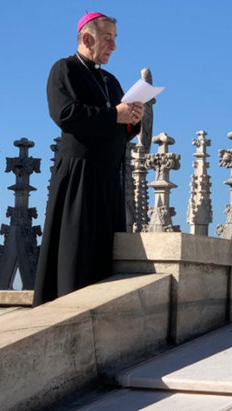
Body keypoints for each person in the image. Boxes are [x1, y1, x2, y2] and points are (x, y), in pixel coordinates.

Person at [34, 12, 144, 305]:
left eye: (115, 39)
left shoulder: (109, 80)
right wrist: (114, 115)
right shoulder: (65, 69)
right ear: (87, 38)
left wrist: (133, 119)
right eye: (108, 38)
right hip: (79, 177)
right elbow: (65, 115)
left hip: (108, 177)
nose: (113, 46)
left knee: (106, 255)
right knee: (76, 253)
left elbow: (119, 127)